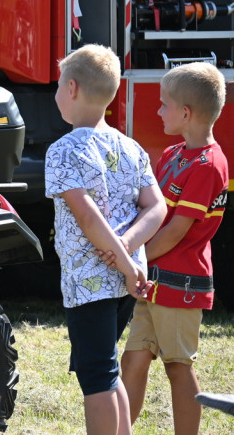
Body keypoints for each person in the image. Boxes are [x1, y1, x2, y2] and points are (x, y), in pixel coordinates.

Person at [44, 44, 166, 435]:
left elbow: (87, 218)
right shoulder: (130, 146)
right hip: (124, 280)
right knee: (105, 367)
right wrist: (129, 252)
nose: (57, 92)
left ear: (73, 88)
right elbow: (157, 208)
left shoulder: (62, 151)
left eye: (59, 84)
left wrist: (124, 261)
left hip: (89, 281)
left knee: (96, 377)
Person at [118, 63, 228, 435]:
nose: (158, 110)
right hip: (154, 278)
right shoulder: (173, 154)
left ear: (186, 113)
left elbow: (178, 231)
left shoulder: (208, 165)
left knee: (178, 365)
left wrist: (136, 256)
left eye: (164, 104)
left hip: (181, 282)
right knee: (133, 359)